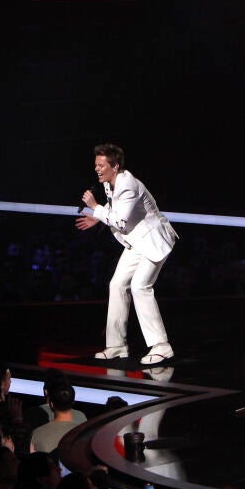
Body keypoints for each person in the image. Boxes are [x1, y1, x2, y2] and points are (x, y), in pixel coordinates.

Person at [76, 144, 179, 365]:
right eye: (96, 165)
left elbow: (121, 222)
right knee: (117, 284)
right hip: (136, 242)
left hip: (153, 240)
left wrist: (95, 207)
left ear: (115, 166)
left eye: (101, 165)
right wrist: (98, 216)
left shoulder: (128, 185)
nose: (97, 169)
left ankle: (162, 346)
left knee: (140, 286)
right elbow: (118, 210)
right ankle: (116, 346)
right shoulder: (110, 183)